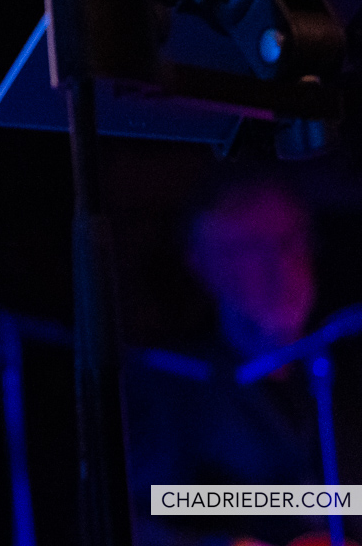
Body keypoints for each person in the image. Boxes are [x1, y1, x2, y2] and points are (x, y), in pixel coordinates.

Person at [129, 170, 358, 546]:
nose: (280, 265)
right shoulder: (175, 381)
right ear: (201, 264)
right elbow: (146, 511)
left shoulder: (345, 363)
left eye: (291, 240)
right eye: (252, 248)